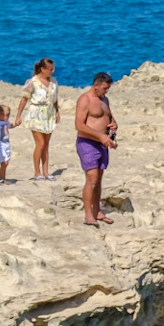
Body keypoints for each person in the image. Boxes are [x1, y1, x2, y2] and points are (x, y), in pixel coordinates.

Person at [74, 71, 118, 226]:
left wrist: (114, 125)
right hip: (88, 142)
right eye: (104, 88)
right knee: (91, 178)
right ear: (96, 85)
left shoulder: (104, 99)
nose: (106, 91)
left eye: (108, 89)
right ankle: (88, 215)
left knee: (99, 179)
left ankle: (97, 211)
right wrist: (100, 136)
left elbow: (108, 117)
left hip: (103, 143)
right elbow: (79, 126)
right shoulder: (85, 100)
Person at [14, 57, 62, 181]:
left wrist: (57, 112)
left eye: (53, 69)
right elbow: (24, 99)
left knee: (46, 145)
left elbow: (55, 99)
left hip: (49, 114)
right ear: (42, 69)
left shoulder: (53, 82)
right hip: (36, 114)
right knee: (40, 144)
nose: (52, 71)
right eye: (50, 69)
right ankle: (37, 172)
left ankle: (46, 172)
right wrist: (18, 116)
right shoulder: (33, 82)